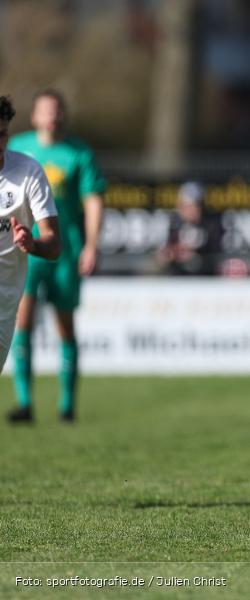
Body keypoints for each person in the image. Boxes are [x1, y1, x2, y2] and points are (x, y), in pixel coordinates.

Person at [6, 90, 103, 424]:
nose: (52, 117)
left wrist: (91, 244)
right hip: (23, 250)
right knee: (23, 321)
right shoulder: (17, 147)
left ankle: (66, 405)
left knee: (65, 326)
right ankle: (25, 402)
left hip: (65, 250)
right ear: (34, 116)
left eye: (57, 111)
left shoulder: (78, 154)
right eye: (46, 111)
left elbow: (92, 200)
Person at [0, 95, 61, 394]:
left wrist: (32, 243)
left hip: (3, 303)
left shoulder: (28, 173)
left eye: (1, 133)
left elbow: (54, 244)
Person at [156, 181, 222, 276]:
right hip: (178, 280)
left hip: (205, 282)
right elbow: (164, 253)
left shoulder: (212, 226)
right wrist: (170, 254)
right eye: (182, 206)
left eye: (188, 206)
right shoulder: (175, 225)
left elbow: (216, 257)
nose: (182, 210)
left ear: (199, 207)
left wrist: (196, 259)